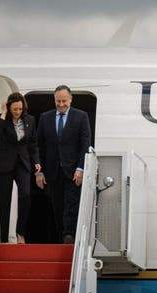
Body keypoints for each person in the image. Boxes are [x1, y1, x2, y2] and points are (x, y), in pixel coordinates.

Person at [35, 85, 91, 244]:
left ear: (71, 99)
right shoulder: (46, 117)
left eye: (64, 101)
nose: (61, 104)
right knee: (57, 205)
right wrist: (39, 170)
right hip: (52, 170)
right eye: (58, 101)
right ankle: (62, 236)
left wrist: (81, 167)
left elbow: (85, 144)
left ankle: (69, 235)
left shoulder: (81, 117)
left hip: (73, 170)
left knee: (71, 203)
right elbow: (38, 145)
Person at [0, 92, 41, 244]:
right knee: (4, 201)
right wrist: (4, 113)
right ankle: (4, 238)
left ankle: (20, 233)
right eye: (14, 109)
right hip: (4, 163)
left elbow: (33, 143)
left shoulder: (30, 120)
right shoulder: (1, 118)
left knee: (25, 196)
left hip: (22, 163)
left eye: (20, 109)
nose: (17, 112)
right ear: (9, 107)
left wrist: (36, 160)